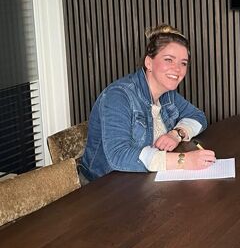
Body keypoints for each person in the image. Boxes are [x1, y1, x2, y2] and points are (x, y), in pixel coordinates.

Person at [79, 25, 215, 182]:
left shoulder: (167, 93)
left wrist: (177, 134)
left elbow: (198, 117)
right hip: (103, 188)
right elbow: (118, 156)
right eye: (168, 60)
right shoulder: (118, 96)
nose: (177, 69)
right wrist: (183, 161)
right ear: (149, 63)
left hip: (144, 181)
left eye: (183, 63)